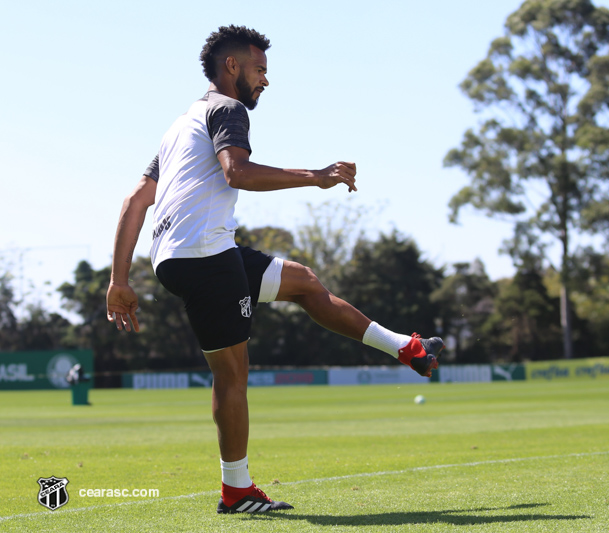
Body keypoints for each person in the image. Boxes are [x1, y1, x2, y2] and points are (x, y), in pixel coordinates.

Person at [105, 25, 444, 515]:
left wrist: (120, 279)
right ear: (232, 67)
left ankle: (407, 349)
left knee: (304, 283)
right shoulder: (228, 109)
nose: (265, 80)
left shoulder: (179, 126)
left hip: (186, 254)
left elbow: (136, 199)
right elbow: (236, 172)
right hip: (204, 256)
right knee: (232, 376)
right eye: (260, 69)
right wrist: (317, 176)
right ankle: (236, 491)